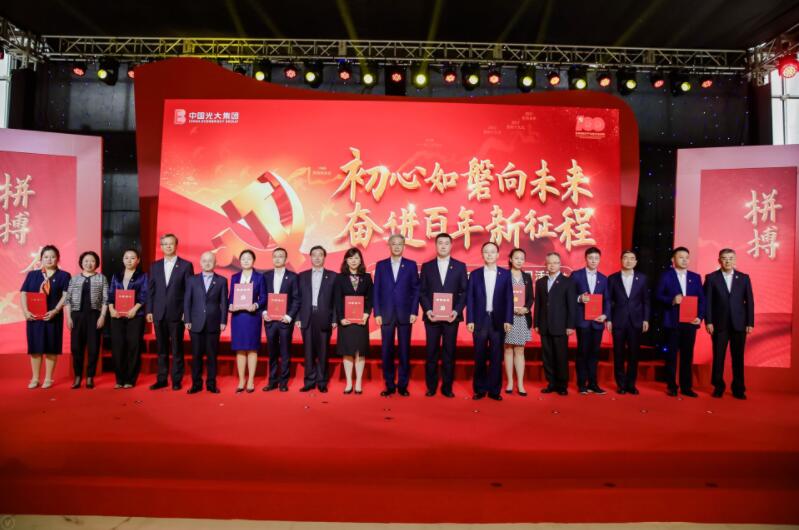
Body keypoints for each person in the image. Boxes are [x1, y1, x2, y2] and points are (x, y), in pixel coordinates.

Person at [419, 233, 467, 398]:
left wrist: (456, 311)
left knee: (449, 353)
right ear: (436, 245)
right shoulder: (427, 267)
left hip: (451, 318)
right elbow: (422, 292)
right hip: (432, 317)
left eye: (446, 243)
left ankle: (447, 387)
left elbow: (464, 292)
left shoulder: (460, 266)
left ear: (451, 245)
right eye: (440, 243)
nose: (443, 246)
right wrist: (428, 310)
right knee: (431, 353)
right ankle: (431, 386)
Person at [373, 234, 420, 397]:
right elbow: (376, 290)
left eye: (400, 244)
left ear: (404, 246)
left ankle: (402, 385)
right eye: (394, 243)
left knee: (404, 350)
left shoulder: (411, 265)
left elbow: (416, 290)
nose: (397, 246)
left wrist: (414, 311)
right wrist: (377, 312)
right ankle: (389, 384)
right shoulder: (381, 265)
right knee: (386, 350)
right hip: (386, 313)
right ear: (389, 245)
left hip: (405, 314)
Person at [703, 248, 754, 399]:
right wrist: (709, 321)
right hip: (719, 324)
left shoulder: (744, 278)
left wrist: (750, 322)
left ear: (735, 260)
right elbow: (707, 302)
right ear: (719, 260)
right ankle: (718, 386)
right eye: (724, 258)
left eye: (731, 258)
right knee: (718, 357)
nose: (727, 261)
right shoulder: (711, 278)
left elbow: (750, 301)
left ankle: (739, 388)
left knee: (738, 357)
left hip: (739, 324)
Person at [655, 246, 705, 397]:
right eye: (681, 257)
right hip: (672, 322)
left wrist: (700, 317)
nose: (684, 260)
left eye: (686, 257)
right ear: (673, 259)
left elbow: (702, 300)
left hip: (690, 322)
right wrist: (671, 300)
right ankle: (671, 386)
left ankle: (686, 387)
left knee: (687, 355)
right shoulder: (666, 276)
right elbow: (657, 296)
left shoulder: (695, 277)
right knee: (671, 356)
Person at [466, 241, 514, 401]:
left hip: (498, 320)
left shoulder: (505, 274)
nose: (489, 254)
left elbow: (509, 298)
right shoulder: (475, 274)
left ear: (498, 255)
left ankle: (494, 390)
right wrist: (470, 319)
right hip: (480, 320)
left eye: (492, 252)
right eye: (486, 252)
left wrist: (508, 319)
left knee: (496, 356)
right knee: (479, 355)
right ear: (482, 254)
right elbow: (470, 298)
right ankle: (479, 389)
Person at [146, 234, 194, 391]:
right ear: (161, 247)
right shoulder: (155, 266)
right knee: (161, 349)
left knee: (177, 348)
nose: (168, 246)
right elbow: (151, 290)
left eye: (171, 243)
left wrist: (186, 312)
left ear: (176, 245)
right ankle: (161, 379)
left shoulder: (186, 265)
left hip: (177, 313)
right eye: (165, 244)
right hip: (158, 313)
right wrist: (149, 310)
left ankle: (176, 380)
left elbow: (189, 291)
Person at [20, 245, 70, 389]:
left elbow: (66, 295)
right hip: (34, 317)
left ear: (58, 259)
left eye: (53, 257)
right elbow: (23, 293)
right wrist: (26, 311)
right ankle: (35, 378)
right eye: (46, 257)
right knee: (35, 348)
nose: (49, 259)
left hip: (53, 317)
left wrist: (55, 310)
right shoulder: (32, 275)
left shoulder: (64, 275)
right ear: (41, 259)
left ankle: (48, 378)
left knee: (51, 347)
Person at [606, 250, 650, 395]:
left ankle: (631, 384)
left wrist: (646, 319)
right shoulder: (612, 278)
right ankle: (621, 384)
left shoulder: (642, 278)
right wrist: (609, 319)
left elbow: (646, 300)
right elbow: (608, 300)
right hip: (618, 321)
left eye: (632, 258)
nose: (628, 261)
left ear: (636, 262)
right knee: (618, 354)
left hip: (636, 321)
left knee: (633, 354)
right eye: (625, 258)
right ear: (621, 260)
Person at [184, 251, 228, 394]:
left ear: (215, 263)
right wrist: (187, 319)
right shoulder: (192, 280)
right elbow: (187, 301)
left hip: (214, 323)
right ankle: (196, 384)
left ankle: (211, 384)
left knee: (212, 356)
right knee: (196, 356)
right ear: (200, 262)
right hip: (195, 323)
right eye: (204, 260)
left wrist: (223, 321)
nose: (207, 263)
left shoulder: (221, 281)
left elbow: (224, 303)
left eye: (210, 260)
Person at [64, 251, 109, 389]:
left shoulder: (102, 278)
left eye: (92, 261)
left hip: (94, 316)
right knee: (76, 348)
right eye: (86, 261)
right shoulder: (74, 279)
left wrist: (102, 316)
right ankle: (78, 376)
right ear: (81, 263)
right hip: (77, 316)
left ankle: (90, 377)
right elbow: (67, 300)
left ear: (96, 263)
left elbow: (106, 299)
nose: (89, 263)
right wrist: (68, 318)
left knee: (93, 348)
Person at [533, 252, 577, 396]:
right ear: (546, 264)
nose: (552, 265)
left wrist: (570, 325)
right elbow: (538, 304)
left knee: (561, 356)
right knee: (547, 356)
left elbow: (571, 306)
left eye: (555, 262)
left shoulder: (568, 282)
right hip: (544, 325)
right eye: (549, 263)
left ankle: (562, 385)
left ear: (560, 264)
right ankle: (551, 383)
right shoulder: (540, 282)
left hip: (561, 326)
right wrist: (536, 323)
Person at [296, 245, 337, 393]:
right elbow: (297, 298)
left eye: (320, 254)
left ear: (324, 257)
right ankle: (309, 381)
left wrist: (335, 319)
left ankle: (322, 382)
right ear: (310, 257)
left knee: (323, 351)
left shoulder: (333, 276)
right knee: (308, 351)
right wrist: (298, 317)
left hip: (324, 317)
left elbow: (336, 300)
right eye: (314, 255)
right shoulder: (302, 276)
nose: (317, 257)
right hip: (307, 317)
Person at [333, 248, 373, 394]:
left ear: (360, 260)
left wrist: (366, 314)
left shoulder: (367, 277)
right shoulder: (340, 278)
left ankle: (358, 382)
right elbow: (337, 300)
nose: (353, 261)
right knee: (347, 351)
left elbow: (371, 298)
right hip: (346, 321)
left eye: (356, 258)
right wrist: (341, 318)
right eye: (350, 258)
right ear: (346, 261)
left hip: (361, 320)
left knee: (360, 352)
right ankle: (349, 382)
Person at [572, 247, 611, 395]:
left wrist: (605, 315)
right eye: (591, 258)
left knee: (595, 354)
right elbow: (569, 295)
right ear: (585, 259)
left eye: (596, 258)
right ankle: (582, 384)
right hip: (582, 321)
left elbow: (607, 300)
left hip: (597, 321)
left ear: (599, 260)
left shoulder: (604, 278)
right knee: (582, 352)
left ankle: (593, 384)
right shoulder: (576, 275)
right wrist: (579, 298)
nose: (593, 261)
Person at [108, 248, 148, 389]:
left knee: (133, 347)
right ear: (123, 260)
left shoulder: (143, 276)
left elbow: (144, 295)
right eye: (126, 258)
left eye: (132, 258)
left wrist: (134, 309)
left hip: (135, 316)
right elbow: (111, 293)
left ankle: (130, 379)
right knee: (118, 347)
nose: (129, 260)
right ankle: (119, 379)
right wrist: (111, 309)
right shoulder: (116, 276)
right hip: (117, 316)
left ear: (138, 260)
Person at [262, 247, 300, 392]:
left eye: (281, 256)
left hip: (285, 321)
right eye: (275, 256)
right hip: (270, 321)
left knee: (285, 352)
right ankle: (272, 381)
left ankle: (283, 382)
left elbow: (296, 299)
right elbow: (262, 297)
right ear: (272, 258)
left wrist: (289, 316)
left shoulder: (293, 277)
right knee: (272, 352)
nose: (278, 258)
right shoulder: (266, 276)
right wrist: (264, 312)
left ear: (286, 259)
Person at [228, 250, 266, 393]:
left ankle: (250, 380)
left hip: (252, 317)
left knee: (252, 348)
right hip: (238, 317)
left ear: (253, 261)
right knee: (240, 348)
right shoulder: (235, 277)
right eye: (243, 258)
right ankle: (241, 380)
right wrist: (230, 305)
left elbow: (263, 297)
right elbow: (231, 297)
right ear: (240, 261)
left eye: (248, 258)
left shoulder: (259, 277)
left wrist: (256, 305)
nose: (245, 261)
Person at [503, 248, 533, 396]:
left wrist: (526, 308)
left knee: (520, 350)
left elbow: (530, 298)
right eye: (516, 258)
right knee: (508, 349)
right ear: (510, 259)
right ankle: (509, 382)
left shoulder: (527, 277)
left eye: (522, 258)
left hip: (521, 318)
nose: (519, 261)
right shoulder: (504, 275)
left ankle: (520, 384)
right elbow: (499, 296)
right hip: (507, 318)